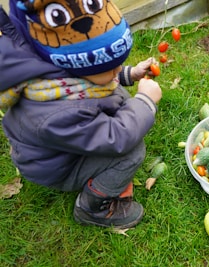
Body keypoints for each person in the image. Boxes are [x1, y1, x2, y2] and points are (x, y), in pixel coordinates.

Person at [0, 0, 162, 229]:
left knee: (117, 93)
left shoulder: (58, 65)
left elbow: (98, 79)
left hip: (63, 144)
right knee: (131, 153)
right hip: (58, 166)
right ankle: (93, 207)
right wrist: (145, 102)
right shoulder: (56, 111)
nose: (117, 71)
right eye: (112, 69)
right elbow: (116, 137)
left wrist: (130, 74)